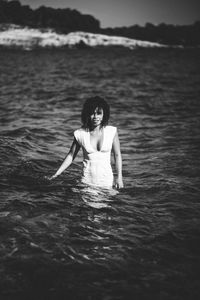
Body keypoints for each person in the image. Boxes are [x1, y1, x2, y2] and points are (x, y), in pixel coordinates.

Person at [48, 96, 124, 189]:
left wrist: (119, 177)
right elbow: (71, 156)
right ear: (87, 114)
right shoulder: (80, 134)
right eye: (92, 113)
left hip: (107, 182)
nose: (95, 117)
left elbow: (117, 155)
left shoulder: (112, 131)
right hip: (87, 183)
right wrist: (56, 175)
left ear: (104, 114)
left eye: (99, 113)